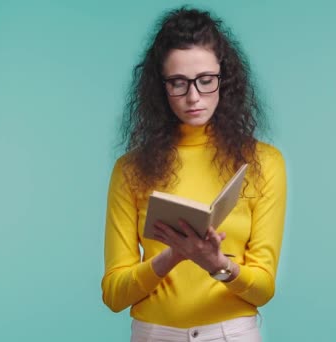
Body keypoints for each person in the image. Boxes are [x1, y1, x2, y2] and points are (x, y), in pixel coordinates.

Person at [102, 7, 286, 341]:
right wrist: (172, 257)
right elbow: (114, 295)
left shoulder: (264, 162)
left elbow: (263, 290)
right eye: (178, 83)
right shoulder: (130, 169)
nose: (193, 96)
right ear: (161, 87)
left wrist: (219, 265)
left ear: (224, 78)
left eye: (206, 80)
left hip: (232, 334)